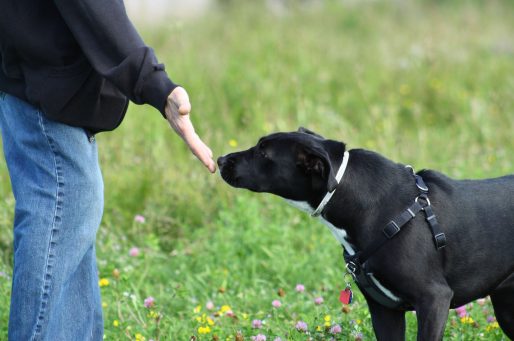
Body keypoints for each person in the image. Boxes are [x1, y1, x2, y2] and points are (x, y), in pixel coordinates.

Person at [0, 1, 216, 340]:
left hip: (27, 85)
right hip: (44, 98)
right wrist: (157, 85)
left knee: (70, 236)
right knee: (60, 217)